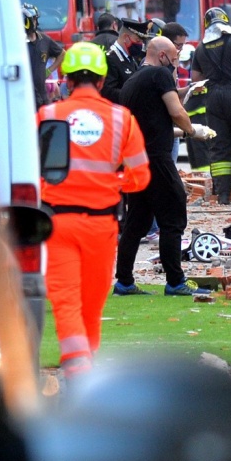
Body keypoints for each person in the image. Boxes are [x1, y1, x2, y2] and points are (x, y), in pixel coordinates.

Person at [37, 42, 151, 377]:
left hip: (57, 222)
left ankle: (77, 363)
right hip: (102, 224)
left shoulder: (47, 116)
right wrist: (114, 184)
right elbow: (140, 177)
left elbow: (26, 169)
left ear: (67, 80)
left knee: (65, 296)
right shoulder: (121, 119)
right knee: (93, 298)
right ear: (101, 80)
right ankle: (83, 362)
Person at [114, 37, 212, 297]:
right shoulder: (160, 75)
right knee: (174, 212)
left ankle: (123, 281)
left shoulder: (133, 81)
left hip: (135, 159)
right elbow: (176, 111)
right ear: (162, 56)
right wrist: (192, 131)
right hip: (157, 157)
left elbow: (151, 118)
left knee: (137, 220)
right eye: (175, 60)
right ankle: (175, 281)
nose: (176, 66)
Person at [191, 6, 231, 204]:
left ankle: (223, 194)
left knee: (220, 146)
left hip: (213, 100)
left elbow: (196, 77)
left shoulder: (200, 48)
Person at [24, 3, 64, 108]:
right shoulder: (17, 42)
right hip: (24, 97)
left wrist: (49, 70)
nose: (36, 22)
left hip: (42, 97)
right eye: (34, 19)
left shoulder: (44, 40)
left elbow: (62, 54)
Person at [101, 19, 146, 102]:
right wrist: (135, 95)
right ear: (125, 37)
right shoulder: (110, 59)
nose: (140, 45)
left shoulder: (129, 58)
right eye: (137, 41)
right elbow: (108, 92)